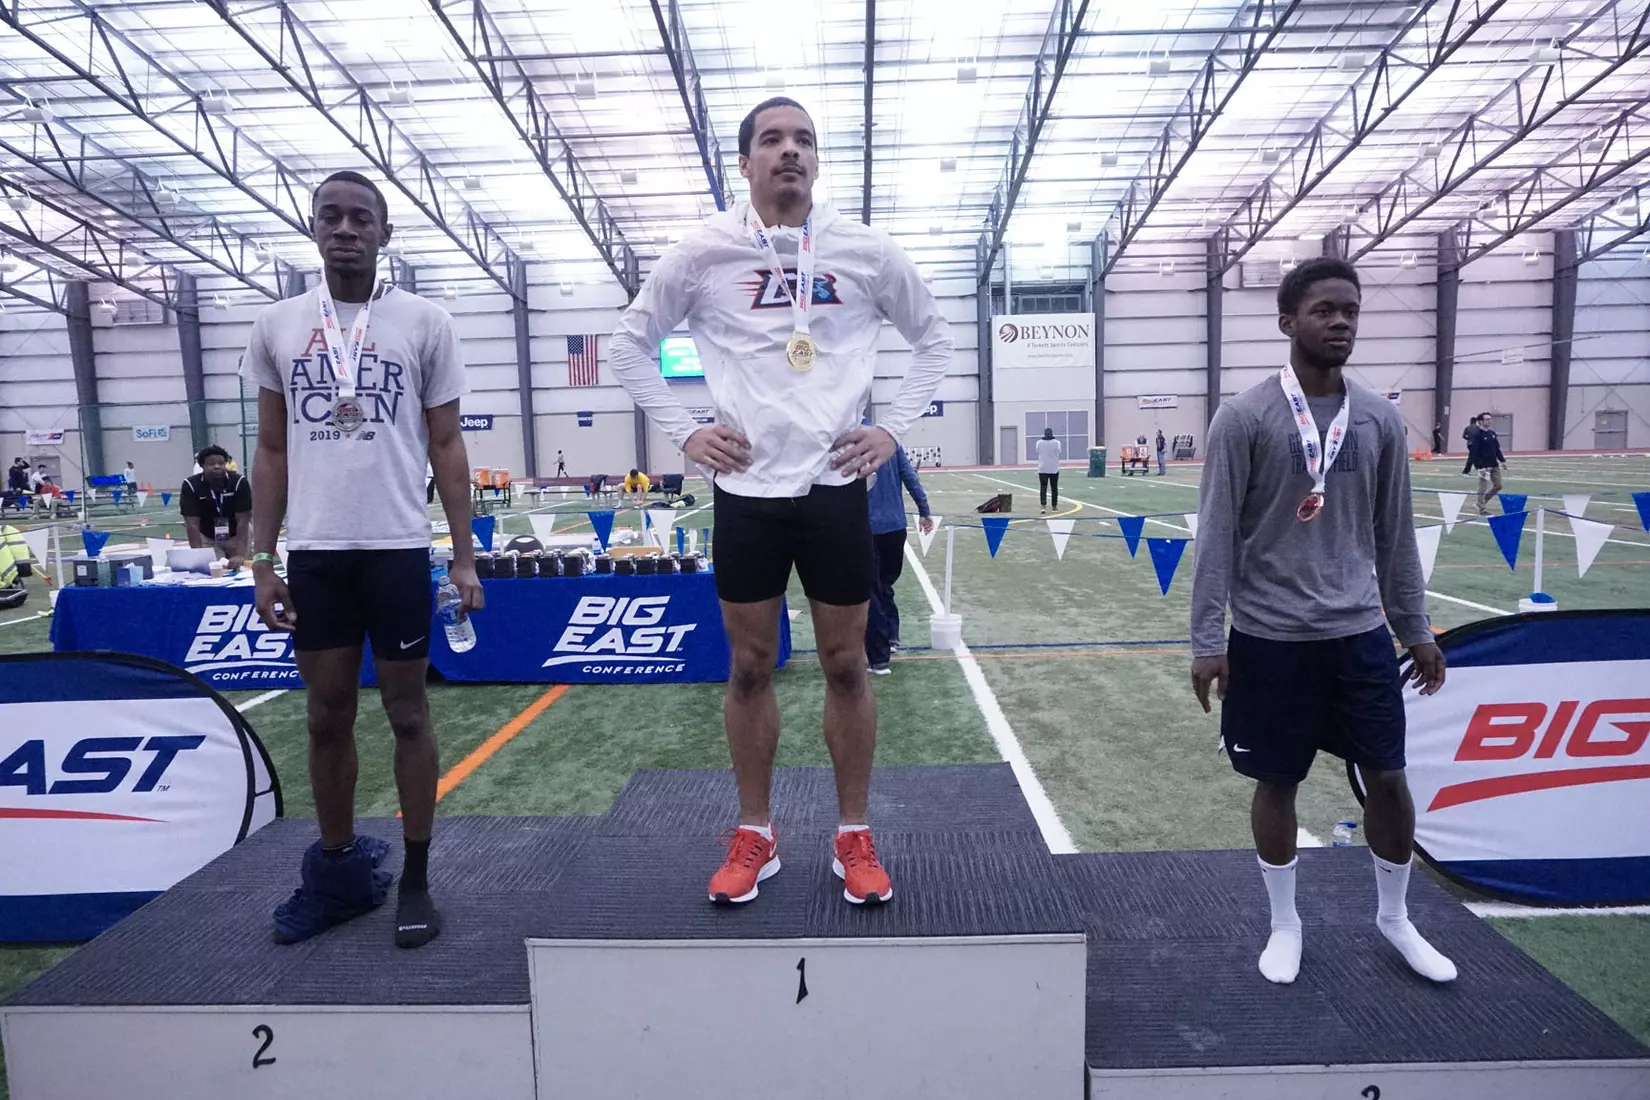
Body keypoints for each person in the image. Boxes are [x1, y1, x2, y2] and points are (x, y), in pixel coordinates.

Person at [608, 95, 950, 907]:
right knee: (752, 667)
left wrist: (893, 431)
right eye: (772, 139)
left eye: (802, 139)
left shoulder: (864, 250)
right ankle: (756, 833)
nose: (788, 151)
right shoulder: (705, 251)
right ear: (746, 161)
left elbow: (935, 338)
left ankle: (852, 834)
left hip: (837, 490)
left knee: (844, 666)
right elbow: (629, 345)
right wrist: (687, 431)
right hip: (745, 494)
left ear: (817, 159)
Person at [1190, 256, 1454, 988]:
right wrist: (1208, 639)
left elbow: (1395, 533)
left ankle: (1395, 918)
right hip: (1270, 639)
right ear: (1288, 323)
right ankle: (1285, 924)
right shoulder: (1245, 417)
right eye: (1324, 310)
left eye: (1350, 310)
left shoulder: (1377, 419)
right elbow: (1213, 535)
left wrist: (1416, 627)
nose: (1341, 322)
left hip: (1359, 634)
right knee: (1276, 783)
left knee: (1389, 777)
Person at [243, 169, 482, 949]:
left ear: (385, 232)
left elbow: (447, 446)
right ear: (314, 229)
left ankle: (414, 875)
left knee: (409, 713)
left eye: (361, 218)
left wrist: (464, 557)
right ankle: (340, 869)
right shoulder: (278, 325)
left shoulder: (425, 322)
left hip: (396, 549)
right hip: (317, 553)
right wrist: (262, 558)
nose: (346, 229)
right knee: (325, 717)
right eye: (331, 217)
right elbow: (272, 448)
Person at [865, 439, 932, 675]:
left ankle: (879, 656)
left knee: (870, 591)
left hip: (867, 527)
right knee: (885, 584)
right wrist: (924, 510)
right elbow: (910, 477)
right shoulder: (891, 444)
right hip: (895, 526)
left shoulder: (849, 441)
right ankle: (892, 637)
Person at [179, 445, 253, 568]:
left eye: (221, 463)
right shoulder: (191, 485)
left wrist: (240, 554)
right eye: (211, 463)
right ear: (202, 465)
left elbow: (243, 520)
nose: (217, 466)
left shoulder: (239, 482)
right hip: (207, 536)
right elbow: (192, 524)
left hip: (236, 534)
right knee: (214, 570)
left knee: (241, 568)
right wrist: (198, 555)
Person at [1468, 412, 1507, 515]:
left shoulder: (1492, 434)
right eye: (1487, 419)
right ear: (1481, 421)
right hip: (1483, 466)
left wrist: (1502, 460)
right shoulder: (1476, 435)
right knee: (1483, 487)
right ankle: (1482, 509)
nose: (1489, 421)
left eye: (1490, 419)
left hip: (1494, 464)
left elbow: (1497, 449)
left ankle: (1481, 502)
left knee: (1498, 485)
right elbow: (1474, 453)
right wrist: (1479, 466)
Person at [1035, 427, 1061, 512]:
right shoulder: (1057, 443)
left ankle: (1043, 505)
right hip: (1054, 468)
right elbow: (1059, 452)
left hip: (1042, 468)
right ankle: (1054, 506)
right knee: (1054, 488)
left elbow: (1037, 451)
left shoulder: (1039, 443)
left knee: (1043, 487)